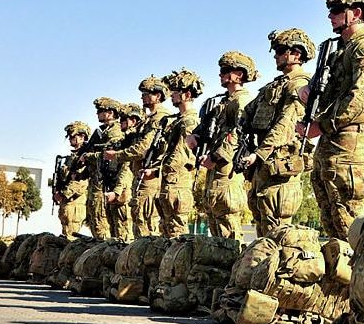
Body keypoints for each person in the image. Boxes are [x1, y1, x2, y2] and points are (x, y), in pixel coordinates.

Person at [297, 0, 364, 240]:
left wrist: (321, 126)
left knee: (350, 227)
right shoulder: (338, 50)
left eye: (336, 8)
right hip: (332, 144)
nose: (330, 15)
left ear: (355, 13)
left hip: (349, 147)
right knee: (332, 226)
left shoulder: (363, 47)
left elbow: (360, 98)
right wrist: (308, 93)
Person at [241, 29, 314, 237]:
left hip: (279, 165)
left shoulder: (299, 84)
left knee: (277, 231)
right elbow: (248, 113)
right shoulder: (273, 86)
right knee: (262, 228)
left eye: (281, 51)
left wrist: (260, 153)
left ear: (296, 55)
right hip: (264, 166)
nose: (275, 55)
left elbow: (287, 123)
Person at [189, 51, 257, 242]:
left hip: (227, 170)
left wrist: (215, 157)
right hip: (217, 171)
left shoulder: (241, 100)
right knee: (216, 224)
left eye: (225, 70)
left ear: (239, 75)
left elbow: (238, 132)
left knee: (229, 229)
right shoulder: (223, 102)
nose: (221, 75)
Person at [104, 76, 171, 238]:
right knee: (139, 224)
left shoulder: (160, 118)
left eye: (147, 93)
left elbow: (143, 147)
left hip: (150, 180)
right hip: (140, 177)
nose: (142, 97)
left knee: (147, 226)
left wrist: (117, 155)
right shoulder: (148, 120)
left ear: (158, 96)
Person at [145, 68, 204, 237]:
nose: (171, 95)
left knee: (177, 234)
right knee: (166, 232)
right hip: (168, 184)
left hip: (178, 185)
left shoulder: (190, 121)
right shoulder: (177, 121)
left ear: (186, 94)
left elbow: (186, 155)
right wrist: (156, 171)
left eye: (175, 92)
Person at [102, 102, 143, 241]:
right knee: (115, 235)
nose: (121, 123)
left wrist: (117, 191)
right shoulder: (126, 140)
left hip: (123, 194)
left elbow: (126, 168)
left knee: (124, 236)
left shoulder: (133, 141)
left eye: (124, 120)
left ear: (133, 121)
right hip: (117, 191)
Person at [84, 97, 124, 239]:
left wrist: (88, 156)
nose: (98, 114)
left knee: (104, 226)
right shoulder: (104, 131)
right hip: (100, 180)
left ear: (111, 113)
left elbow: (109, 155)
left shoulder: (115, 132)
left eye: (101, 111)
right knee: (96, 221)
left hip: (108, 181)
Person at [54, 121, 91, 239]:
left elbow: (80, 182)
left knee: (71, 239)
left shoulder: (84, 157)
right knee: (65, 236)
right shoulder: (72, 157)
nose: (70, 139)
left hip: (75, 203)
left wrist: (62, 194)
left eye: (72, 136)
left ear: (82, 137)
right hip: (67, 203)